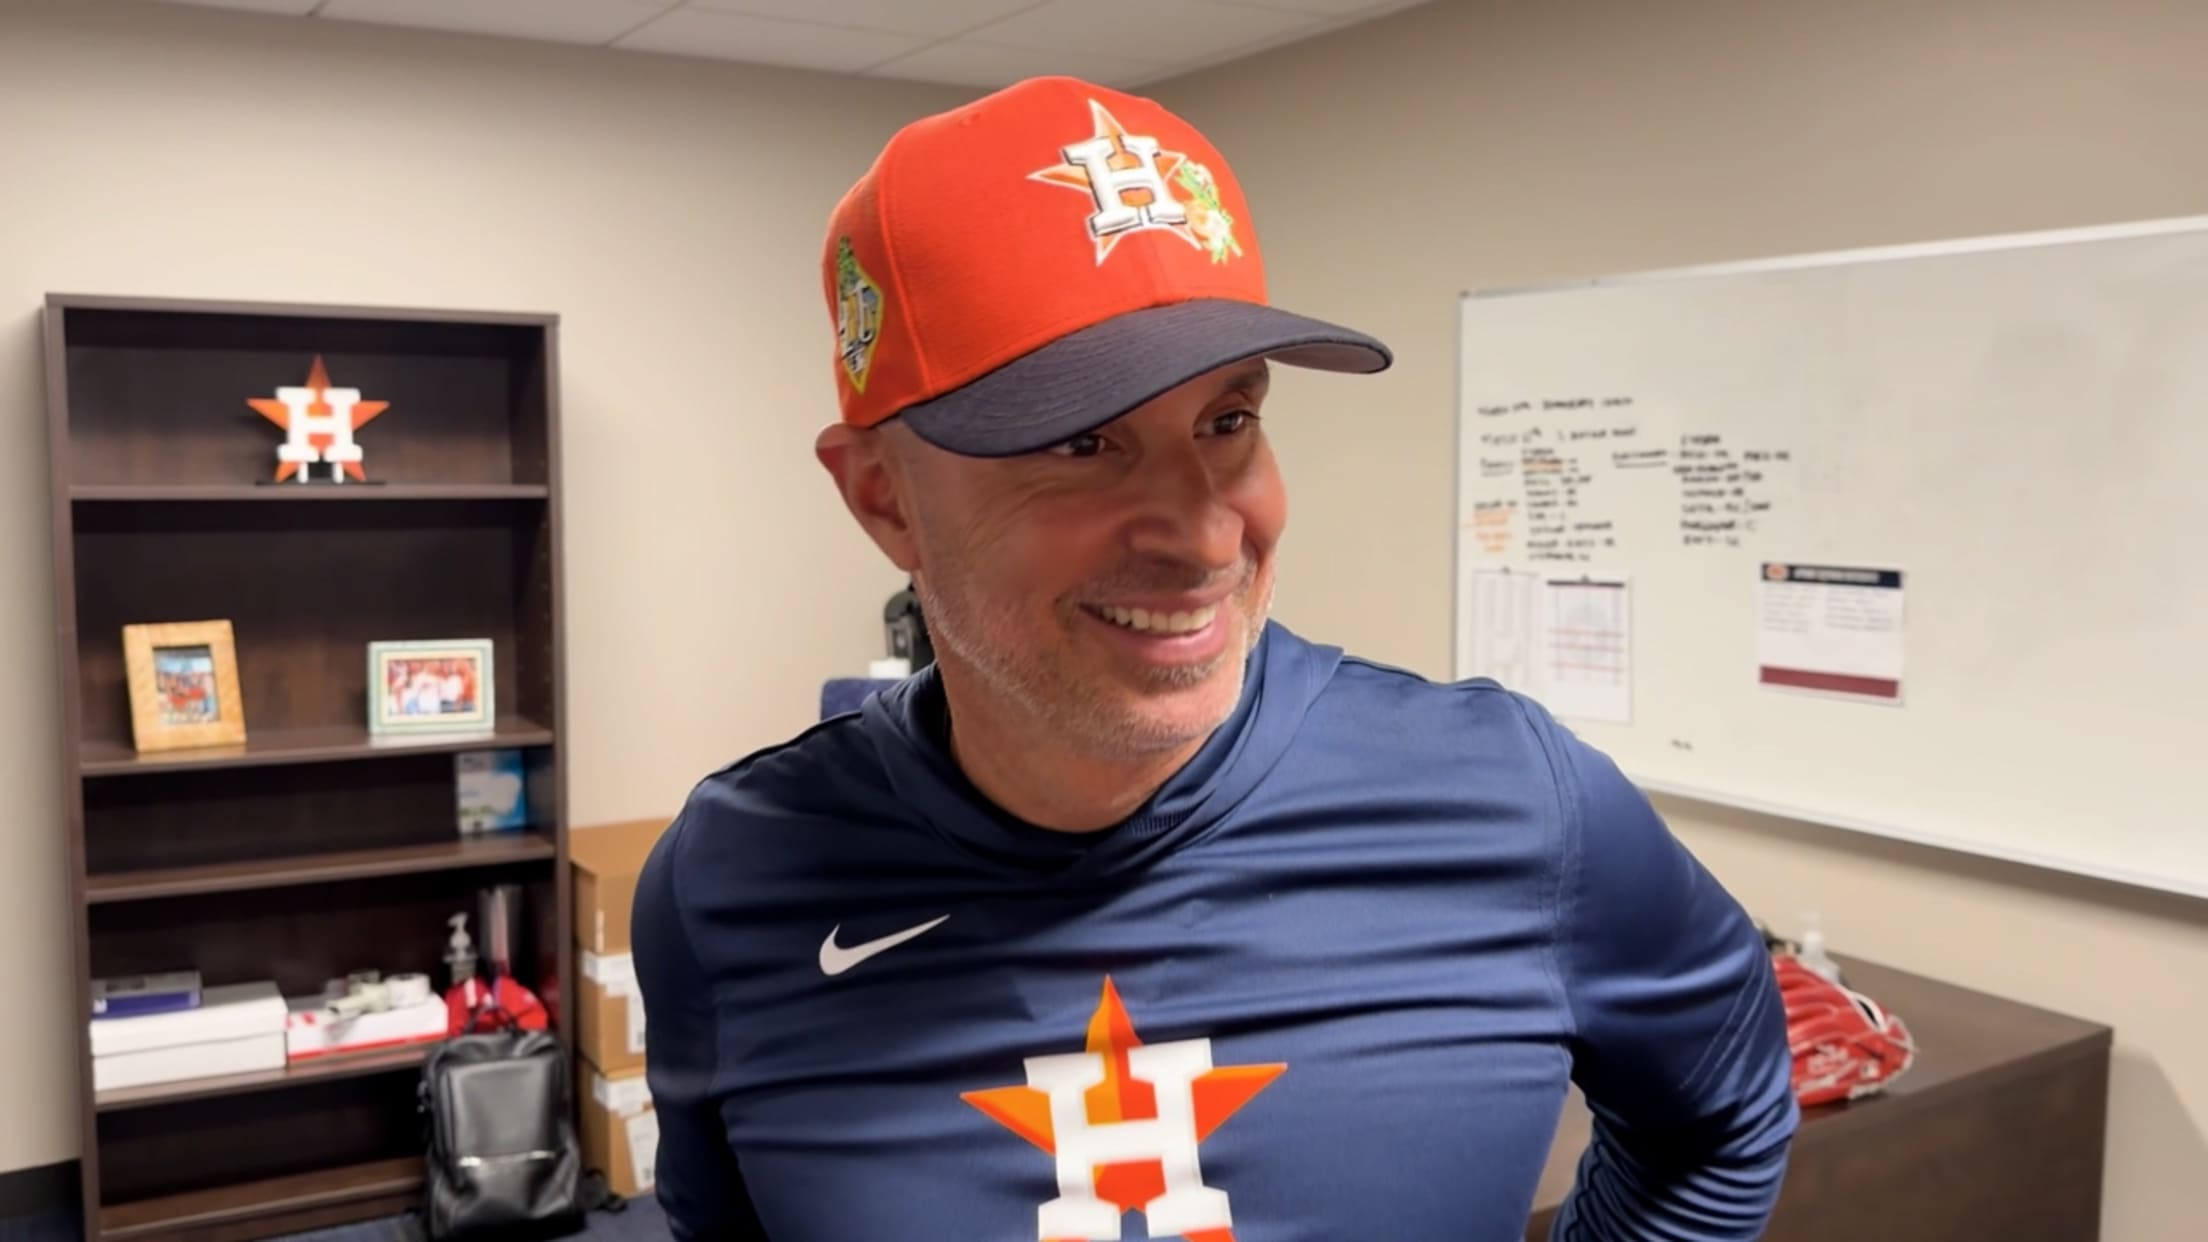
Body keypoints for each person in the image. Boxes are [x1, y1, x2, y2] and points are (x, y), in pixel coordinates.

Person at [633, 75, 1798, 1240]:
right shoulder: (732, 881)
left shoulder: (1517, 804)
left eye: (1227, 422)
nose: (1201, 537)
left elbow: (1723, 1120)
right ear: (885, 497)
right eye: (1081, 444)